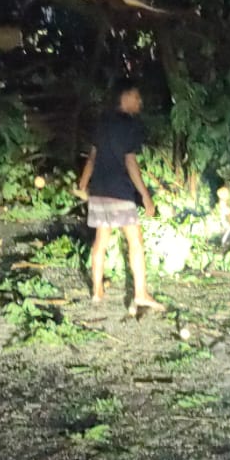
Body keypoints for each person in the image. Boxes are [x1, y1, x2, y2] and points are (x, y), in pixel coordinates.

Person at [74, 79, 161, 312]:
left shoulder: (101, 122)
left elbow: (92, 157)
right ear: (124, 97)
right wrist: (145, 196)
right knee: (135, 242)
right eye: (136, 96)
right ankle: (141, 293)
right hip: (120, 191)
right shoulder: (130, 126)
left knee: (100, 241)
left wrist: (83, 183)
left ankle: (97, 292)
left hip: (99, 191)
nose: (140, 101)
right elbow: (130, 162)